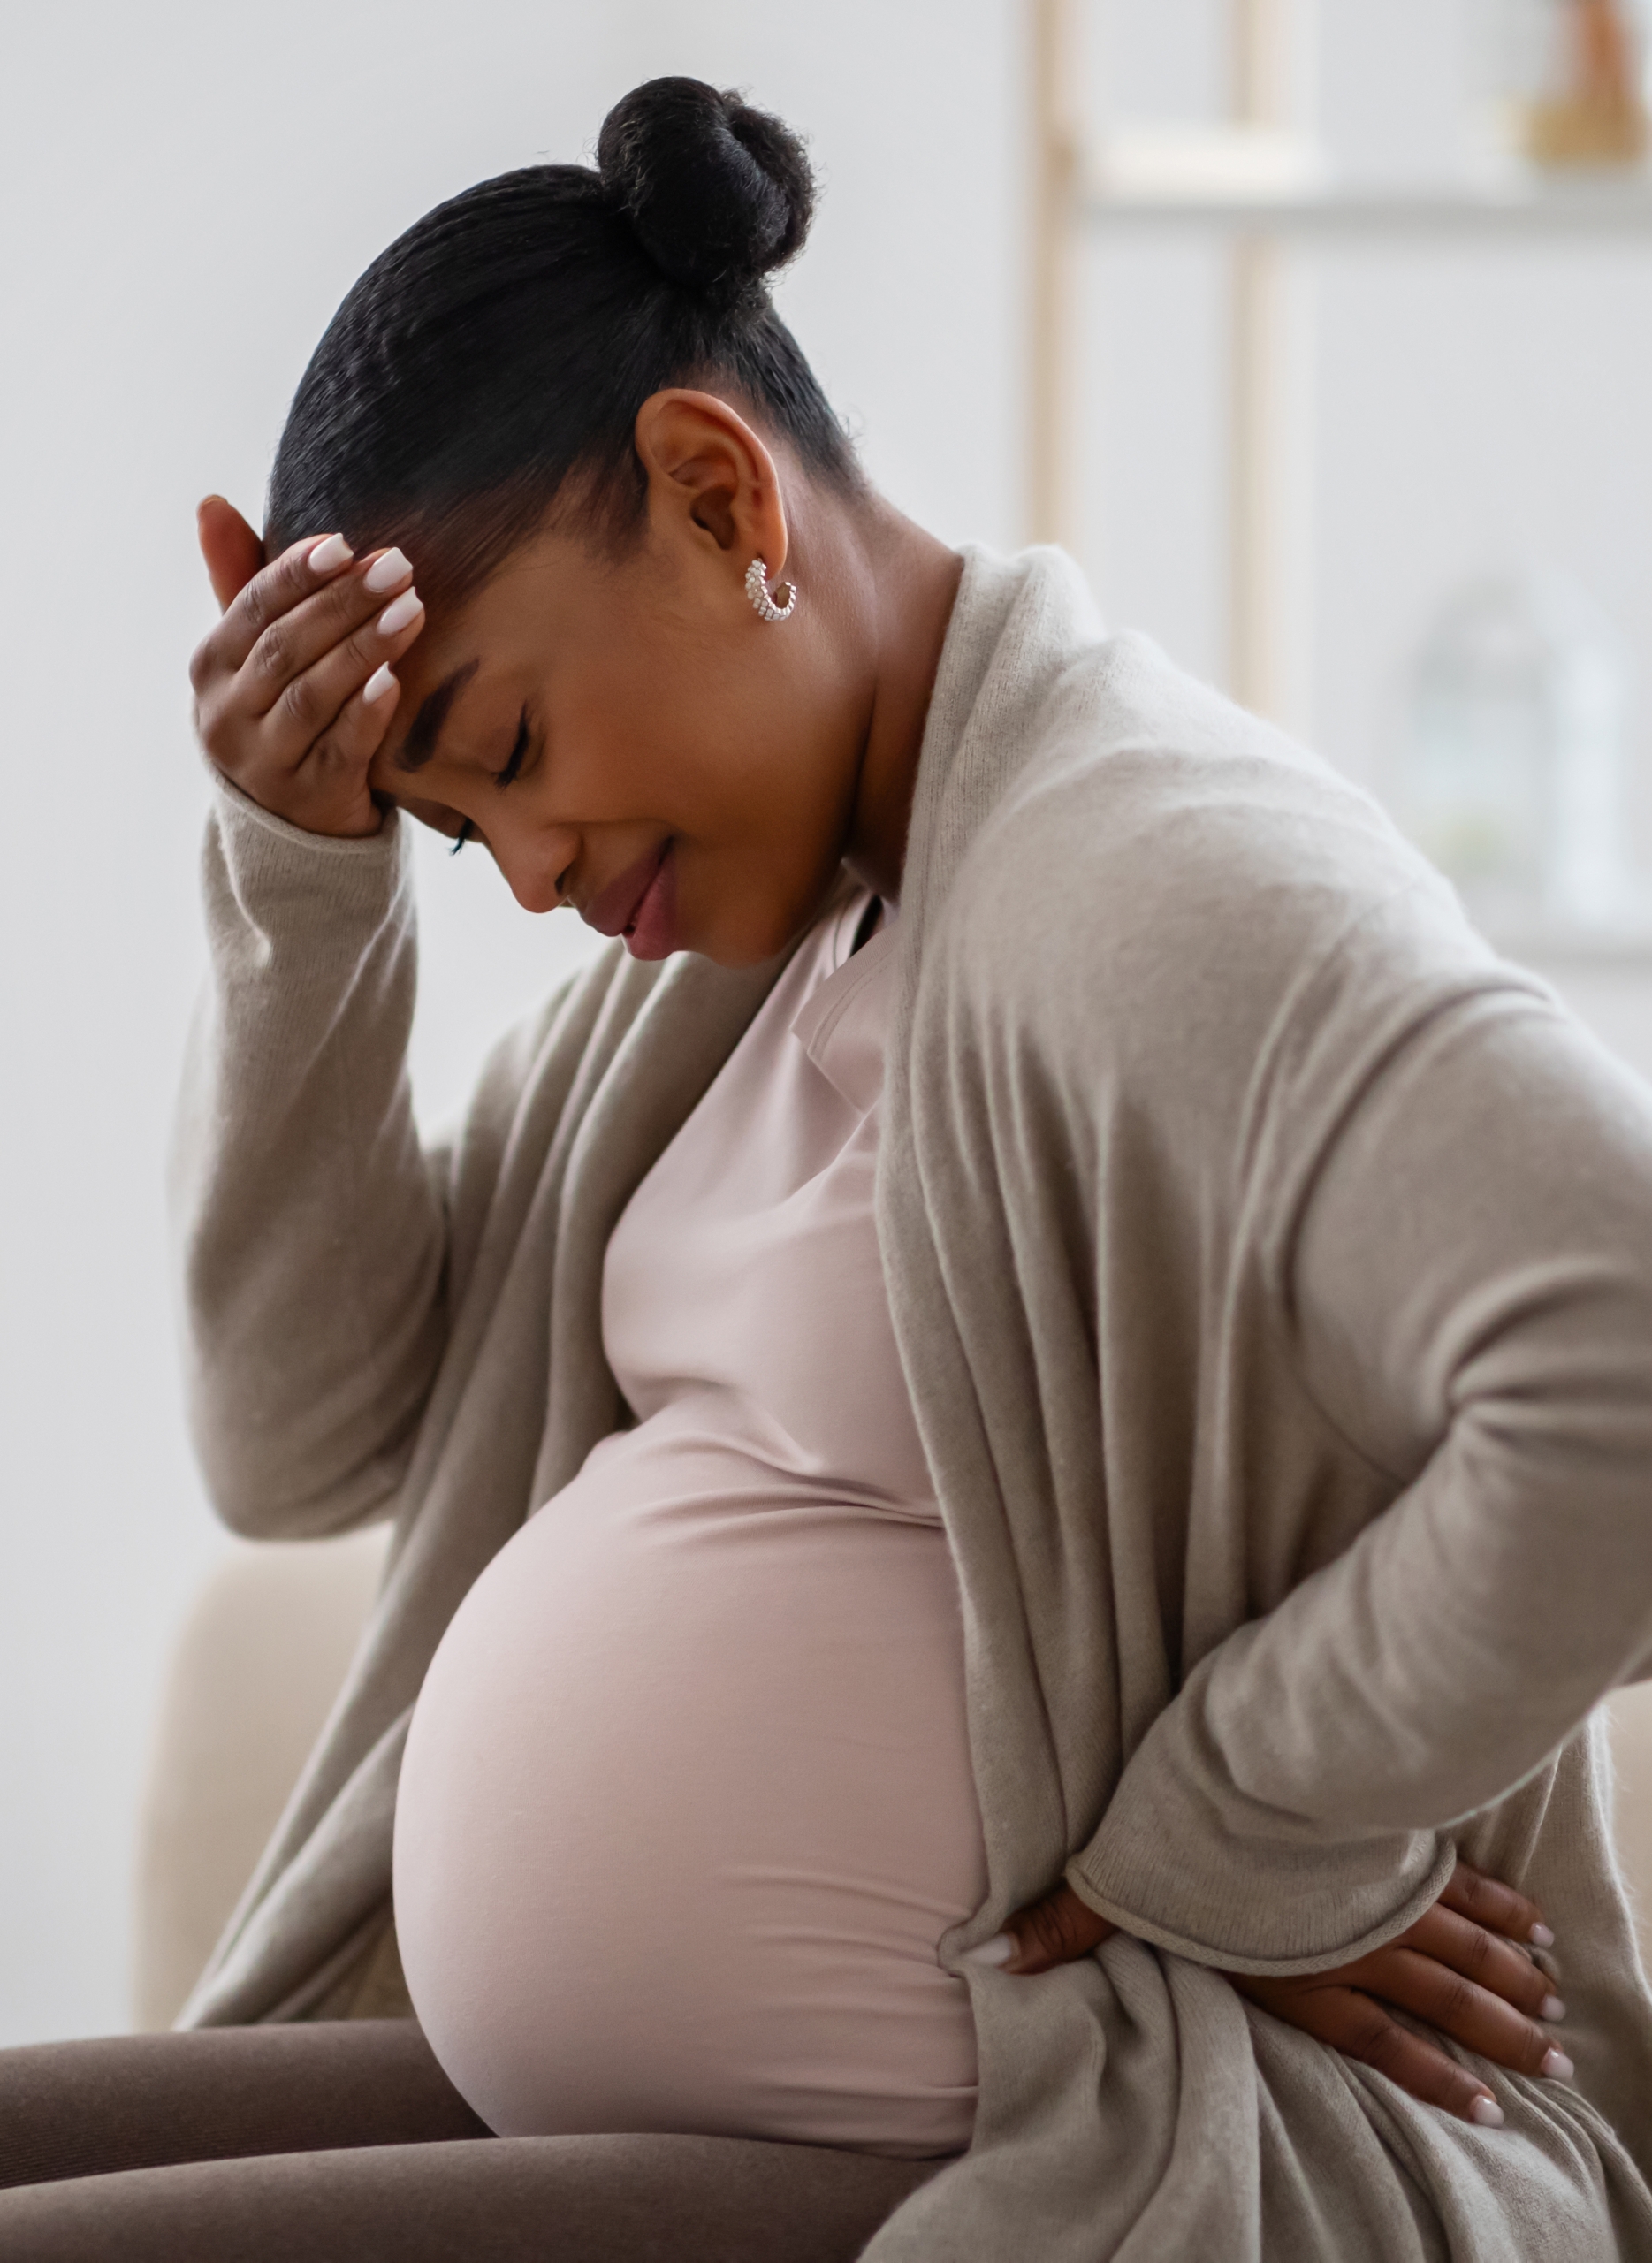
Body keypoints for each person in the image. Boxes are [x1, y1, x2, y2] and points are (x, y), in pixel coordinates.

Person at [4, 73, 1652, 2263]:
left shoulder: (1143, 875)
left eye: (509, 749)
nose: (530, 875)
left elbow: (1616, 1347)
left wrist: (1241, 1825)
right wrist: (308, 875)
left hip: (1115, 2120)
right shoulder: (741, 970)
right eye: (461, 833)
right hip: (739, 2084)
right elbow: (298, 1434)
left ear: (719, 499)